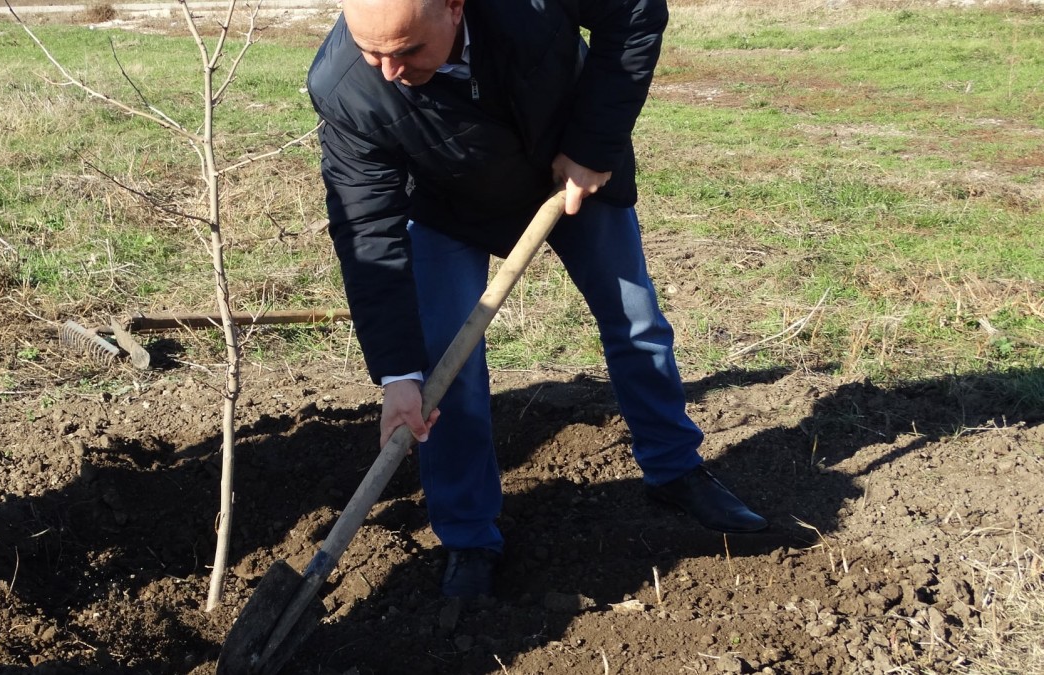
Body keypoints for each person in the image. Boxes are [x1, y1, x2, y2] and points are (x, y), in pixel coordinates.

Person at [306, 0, 767, 600]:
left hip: (569, 163)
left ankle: (676, 469)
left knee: (636, 323)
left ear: (454, 7)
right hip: (449, 202)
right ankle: (468, 536)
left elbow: (634, 12)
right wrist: (397, 372)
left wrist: (593, 145)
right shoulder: (347, 88)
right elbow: (368, 233)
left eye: (407, 50)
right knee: (445, 369)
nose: (387, 70)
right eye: (372, 51)